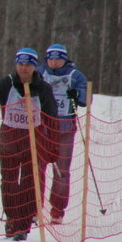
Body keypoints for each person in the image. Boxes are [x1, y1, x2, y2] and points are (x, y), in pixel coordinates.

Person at [0, 48, 58, 240]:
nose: (23, 68)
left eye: (28, 64)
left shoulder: (43, 88)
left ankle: (24, 223)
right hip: (9, 139)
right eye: (20, 64)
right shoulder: (7, 82)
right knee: (9, 181)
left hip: (34, 140)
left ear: (34, 66)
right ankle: (12, 220)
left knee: (30, 183)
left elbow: (52, 118)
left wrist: (53, 145)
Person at [36, 43, 89, 222]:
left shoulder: (75, 75)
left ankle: (58, 210)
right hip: (42, 128)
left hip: (65, 128)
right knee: (37, 168)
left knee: (62, 171)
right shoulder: (39, 73)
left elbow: (86, 98)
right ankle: (36, 208)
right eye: (50, 58)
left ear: (64, 59)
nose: (54, 62)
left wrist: (77, 96)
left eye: (58, 59)